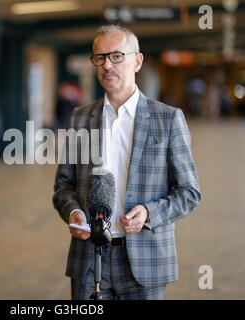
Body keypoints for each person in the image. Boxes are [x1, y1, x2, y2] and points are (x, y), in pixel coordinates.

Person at [53, 25, 201, 300]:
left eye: (117, 56)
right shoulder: (80, 118)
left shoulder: (168, 119)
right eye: (99, 57)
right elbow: (64, 186)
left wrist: (149, 213)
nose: (107, 64)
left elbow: (189, 193)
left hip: (145, 262)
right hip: (89, 261)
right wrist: (73, 213)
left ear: (137, 61)